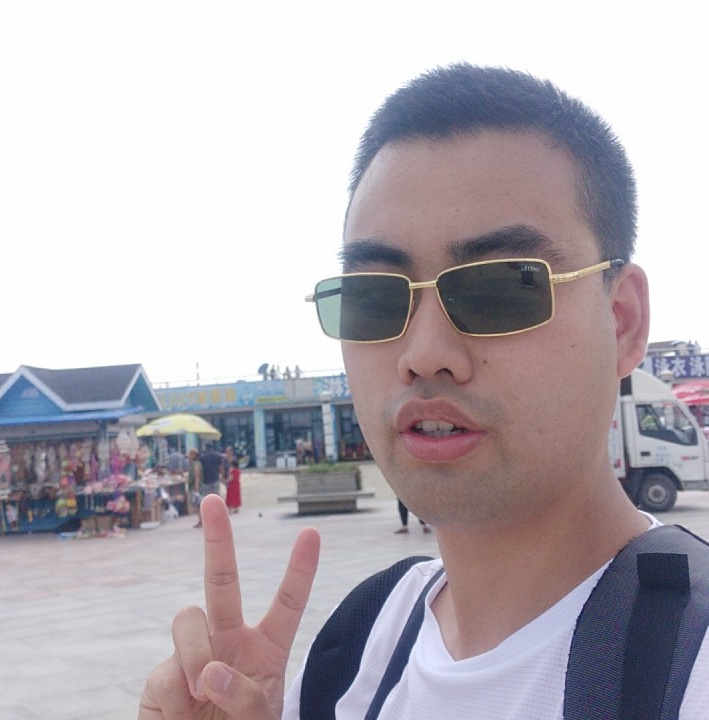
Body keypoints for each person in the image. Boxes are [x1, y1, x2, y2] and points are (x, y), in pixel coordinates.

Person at [138, 64, 709, 718]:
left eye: (500, 288)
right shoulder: (357, 651)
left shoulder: (687, 667)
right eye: (375, 299)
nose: (424, 354)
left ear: (623, 321)